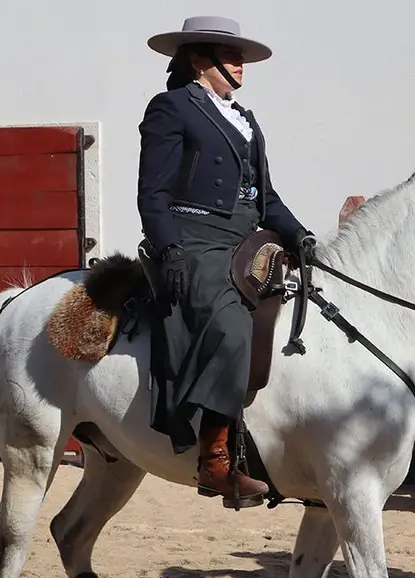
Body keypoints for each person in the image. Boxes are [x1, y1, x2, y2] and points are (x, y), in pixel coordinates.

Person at [137, 16, 316, 507]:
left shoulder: (246, 119)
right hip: (194, 235)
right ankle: (215, 459)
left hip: (248, 233)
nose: (240, 64)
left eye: (240, 56)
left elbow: (266, 197)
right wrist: (169, 247)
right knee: (231, 320)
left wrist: (299, 234)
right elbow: (151, 192)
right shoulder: (171, 108)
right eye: (229, 55)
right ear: (199, 61)